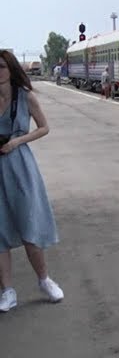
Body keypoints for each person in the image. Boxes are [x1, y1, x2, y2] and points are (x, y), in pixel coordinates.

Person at [0, 49, 64, 312]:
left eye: (2, 67)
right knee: (0, 231)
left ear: (11, 69)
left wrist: (17, 140)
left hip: (18, 164)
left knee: (29, 224)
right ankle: (7, 291)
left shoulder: (26, 97)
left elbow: (43, 127)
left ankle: (44, 279)